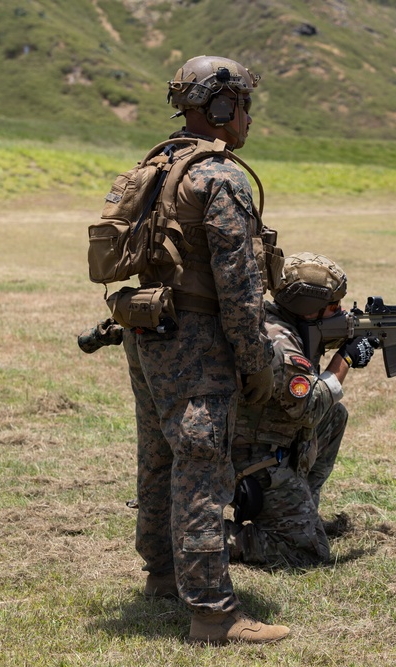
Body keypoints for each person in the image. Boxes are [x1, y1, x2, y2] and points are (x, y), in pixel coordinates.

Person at [119, 54, 288, 645]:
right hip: (196, 340)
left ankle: (164, 576)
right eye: (243, 105)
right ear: (221, 105)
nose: (247, 119)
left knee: (161, 456)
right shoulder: (220, 176)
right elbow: (240, 289)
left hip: (149, 335)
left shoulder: (159, 163)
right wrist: (256, 361)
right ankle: (213, 614)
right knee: (202, 464)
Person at [226, 252, 380, 568]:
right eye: (334, 307)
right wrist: (345, 360)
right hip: (252, 461)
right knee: (308, 553)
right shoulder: (280, 345)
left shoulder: (280, 321)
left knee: (334, 417)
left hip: (269, 441)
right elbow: (309, 408)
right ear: (309, 309)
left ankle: (302, 506)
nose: (341, 313)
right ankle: (215, 538)